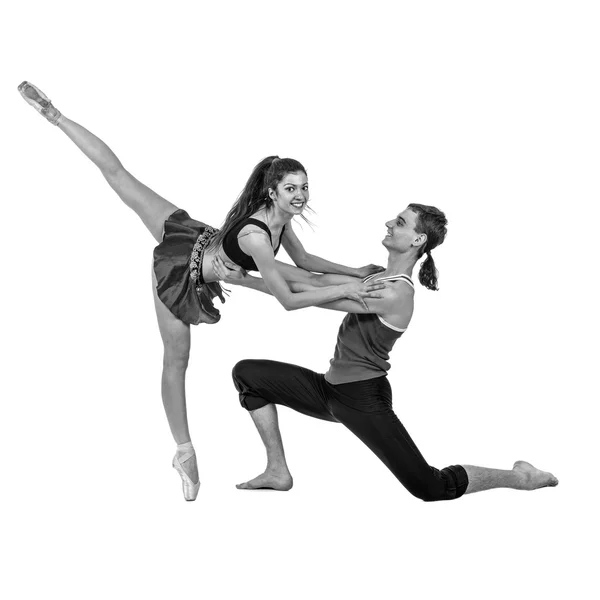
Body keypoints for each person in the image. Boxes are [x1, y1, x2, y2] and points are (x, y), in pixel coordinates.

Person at [18, 81, 385, 501]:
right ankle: (184, 452)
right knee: (176, 360)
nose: (300, 196)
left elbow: (306, 263)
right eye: (291, 189)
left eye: (304, 187)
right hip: (182, 270)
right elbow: (287, 298)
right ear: (273, 192)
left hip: (197, 236)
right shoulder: (256, 236)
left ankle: (365, 294)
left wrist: (353, 270)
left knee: (317, 282)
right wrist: (350, 293)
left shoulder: (280, 219)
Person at [213, 203, 559, 500]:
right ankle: (277, 471)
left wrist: (245, 281)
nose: (390, 224)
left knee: (429, 487)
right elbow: (315, 280)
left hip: (361, 399)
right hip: (329, 390)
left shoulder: (396, 294)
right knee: (248, 374)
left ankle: (522, 478)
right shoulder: (379, 276)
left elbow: (314, 298)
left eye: (401, 222)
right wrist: (249, 272)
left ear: (417, 240)